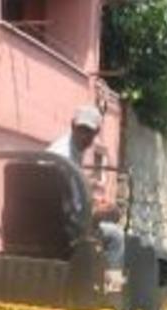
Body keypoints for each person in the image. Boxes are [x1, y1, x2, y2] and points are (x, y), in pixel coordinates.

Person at [47, 106, 125, 283]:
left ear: (96, 132)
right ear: (73, 125)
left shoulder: (64, 149)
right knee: (115, 236)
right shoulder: (64, 157)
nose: (84, 136)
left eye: (88, 132)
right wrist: (100, 213)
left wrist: (94, 203)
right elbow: (72, 214)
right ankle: (113, 292)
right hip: (62, 231)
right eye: (81, 130)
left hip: (47, 223)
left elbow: (67, 197)